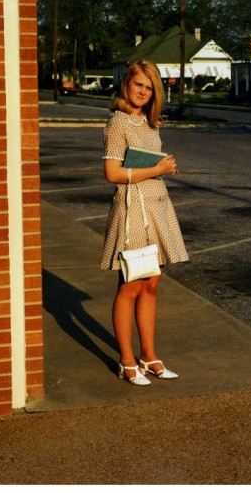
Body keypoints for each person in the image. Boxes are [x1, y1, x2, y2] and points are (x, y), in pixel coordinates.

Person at [100, 59, 188, 386]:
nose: (143, 92)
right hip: (132, 211)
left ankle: (149, 356)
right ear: (127, 84)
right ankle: (126, 360)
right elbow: (112, 173)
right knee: (131, 285)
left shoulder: (152, 124)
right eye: (139, 85)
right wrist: (157, 170)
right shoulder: (118, 122)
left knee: (151, 284)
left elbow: (146, 165)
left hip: (157, 208)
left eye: (149, 88)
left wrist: (163, 167)